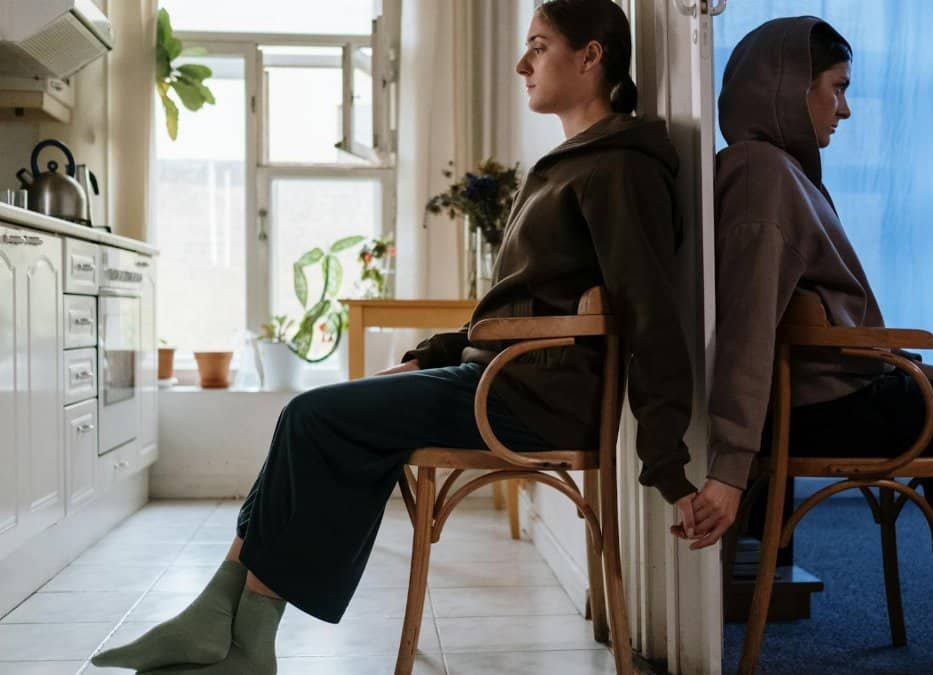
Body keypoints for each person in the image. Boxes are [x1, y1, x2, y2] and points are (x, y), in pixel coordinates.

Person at [91, 1, 696, 672]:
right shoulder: (574, 163)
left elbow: (651, 315)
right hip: (504, 379)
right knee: (319, 417)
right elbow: (513, 308)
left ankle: (238, 630)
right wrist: (425, 357)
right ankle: (223, 620)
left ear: (591, 56)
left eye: (539, 46)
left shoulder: (620, 168)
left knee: (315, 417)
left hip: (530, 397)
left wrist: (668, 467)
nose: (522, 63)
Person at [674, 16, 933, 643]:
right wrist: (730, 467)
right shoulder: (764, 177)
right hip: (824, 405)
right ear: (787, 88)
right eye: (837, 88)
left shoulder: (773, 171)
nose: (844, 110)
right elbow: (748, 328)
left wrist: (923, 370)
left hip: (829, 391)